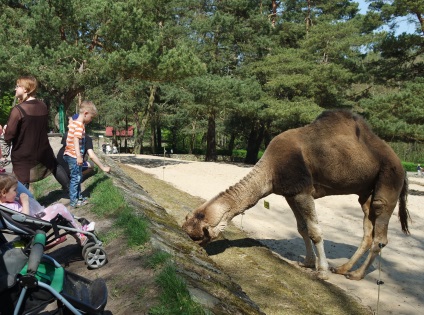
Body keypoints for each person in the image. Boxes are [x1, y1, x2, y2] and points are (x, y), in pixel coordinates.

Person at [3, 76, 69, 189]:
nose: (15, 89)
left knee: (22, 177)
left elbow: (9, 135)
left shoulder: (18, 110)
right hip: (42, 149)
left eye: (18, 86)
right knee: (54, 165)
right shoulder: (42, 106)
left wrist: (6, 129)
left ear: (25, 89)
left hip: (23, 152)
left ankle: (26, 204)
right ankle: (72, 191)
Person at [0, 173, 93, 246]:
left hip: (34, 220)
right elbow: (23, 218)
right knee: (59, 208)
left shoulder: (6, 203)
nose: (17, 192)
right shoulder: (8, 206)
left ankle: (78, 234)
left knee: (60, 212)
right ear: (4, 192)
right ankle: (80, 234)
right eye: (14, 190)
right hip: (33, 223)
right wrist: (25, 202)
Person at [57, 114, 111, 188]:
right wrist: (103, 167)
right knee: (91, 165)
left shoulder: (67, 134)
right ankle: (76, 179)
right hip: (70, 167)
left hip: (60, 167)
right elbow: (91, 155)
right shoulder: (86, 138)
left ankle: (70, 178)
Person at [63, 101, 98, 208]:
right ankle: (74, 201)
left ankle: (78, 197)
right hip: (73, 155)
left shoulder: (74, 122)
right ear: (86, 113)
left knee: (77, 177)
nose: (91, 120)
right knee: (75, 178)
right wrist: (78, 156)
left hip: (70, 154)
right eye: (91, 117)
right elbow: (75, 140)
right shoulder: (79, 125)